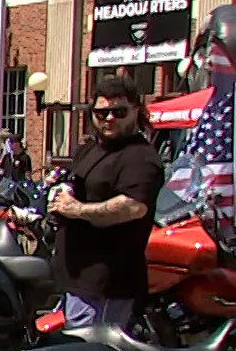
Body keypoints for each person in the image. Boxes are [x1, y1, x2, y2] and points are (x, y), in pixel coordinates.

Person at [50, 75, 163, 328]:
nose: (109, 118)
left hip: (107, 285)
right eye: (102, 113)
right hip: (76, 278)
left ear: (136, 110)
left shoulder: (140, 157)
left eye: (119, 112)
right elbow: (76, 183)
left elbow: (132, 207)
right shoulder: (92, 148)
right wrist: (61, 194)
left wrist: (76, 209)